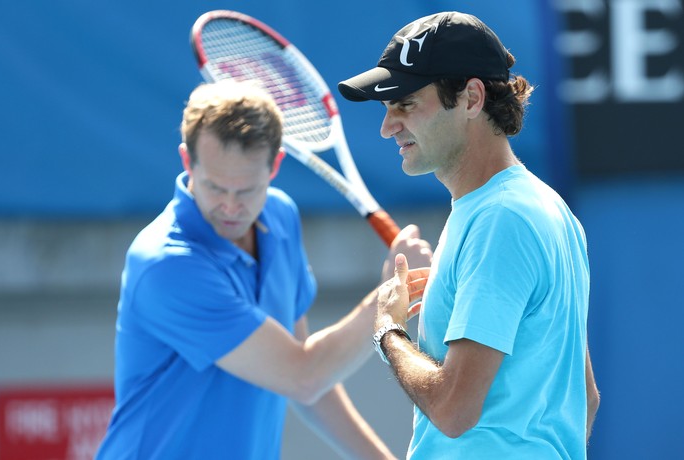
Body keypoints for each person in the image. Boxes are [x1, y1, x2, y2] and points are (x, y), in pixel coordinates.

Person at [95, 80, 432, 459]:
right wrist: (387, 297)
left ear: (275, 165)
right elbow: (303, 376)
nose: (230, 207)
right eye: (215, 187)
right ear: (188, 161)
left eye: (246, 191)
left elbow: (306, 377)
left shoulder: (281, 216)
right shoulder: (166, 265)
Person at [337, 11, 600, 459]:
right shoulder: (539, 208)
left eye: (406, 104)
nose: (387, 126)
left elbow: (455, 410)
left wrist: (388, 331)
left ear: (471, 97)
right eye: (386, 108)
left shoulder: (502, 219)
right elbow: (585, 399)